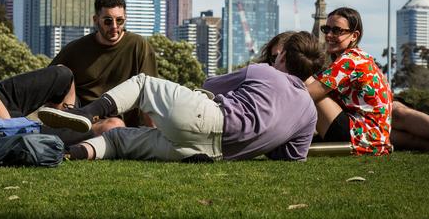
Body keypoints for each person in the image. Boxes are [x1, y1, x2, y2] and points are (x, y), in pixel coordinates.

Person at [38, 31, 324, 162]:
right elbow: (290, 158)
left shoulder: (264, 71)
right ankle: (69, 154)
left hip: (208, 118)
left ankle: (85, 114)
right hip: (212, 153)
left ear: (283, 55)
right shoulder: (309, 112)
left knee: (143, 84)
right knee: (119, 141)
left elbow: (210, 83)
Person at [0, 26, 123, 143]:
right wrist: (12, 125)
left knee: (62, 74)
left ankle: (67, 116)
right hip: (3, 127)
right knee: (111, 126)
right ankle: (75, 124)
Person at [305, 7, 429, 155]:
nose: (329, 35)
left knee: (307, 83)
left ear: (354, 35)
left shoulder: (348, 61)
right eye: (326, 29)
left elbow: (308, 95)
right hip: (377, 135)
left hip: (358, 134)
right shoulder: (362, 56)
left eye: (337, 30)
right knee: (402, 119)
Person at [50, 0, 157, 126]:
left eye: (120, 21)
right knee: (60, 73)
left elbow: (150, 92)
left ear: (125, 19)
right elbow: (50, 81)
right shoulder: (76, 49)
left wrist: (154, 133)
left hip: (118, 125)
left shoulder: (138, 45)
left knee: (113, 125)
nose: (114, 26)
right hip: (80, 120)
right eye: (107, 21)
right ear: (95, 20)